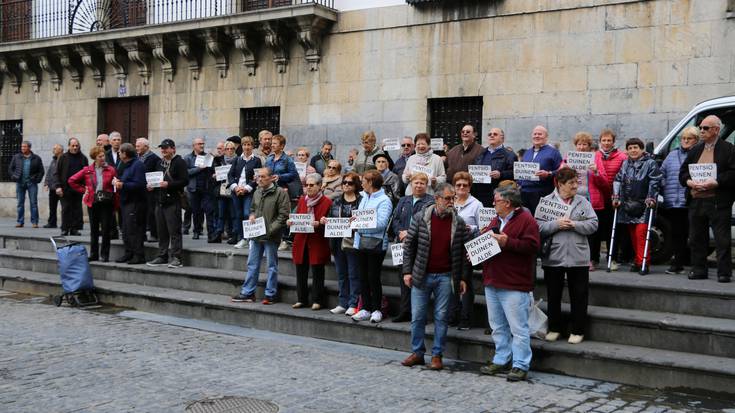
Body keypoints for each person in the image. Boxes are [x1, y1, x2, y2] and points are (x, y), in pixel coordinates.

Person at [400, 183, 472, 371]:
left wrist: (463, 277)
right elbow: (409, 246)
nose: (451, 202)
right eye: (447, 198)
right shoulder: (421, 218)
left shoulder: (459, 222)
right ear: (437, 199)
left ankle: (437, 354)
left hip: (446, 276)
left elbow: (464, 252)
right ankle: (417, 352)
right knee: (417, 316)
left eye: (453, 198)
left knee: (441, 316)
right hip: (421, 274)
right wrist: (407, 271)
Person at [479, 183, 540, 382]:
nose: (493, 204)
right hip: (493, 279)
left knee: (518, 328)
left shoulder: (526, 219)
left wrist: (508, 242)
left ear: (507, 202)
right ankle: (501, 358)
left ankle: (520, 364)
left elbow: (532, 246)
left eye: (496, 201)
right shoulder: (496, 219)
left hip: (514, 283)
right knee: (497, 325)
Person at [537, 168, 598, 344]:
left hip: (578, 256)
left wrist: (574, 225)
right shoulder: (546, 202)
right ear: (559, 184)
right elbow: (538, 227)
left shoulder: (582, 202)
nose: (575, 186)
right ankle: (555, 328)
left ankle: (578, 330)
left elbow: (593, 224)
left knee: (579, 295)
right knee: (553, 295)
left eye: (576, 182)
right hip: (554, 255)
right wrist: (556, 224)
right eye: (571, 183)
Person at [679, 115, 735, 283]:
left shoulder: (729, 149)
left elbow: (733, 173)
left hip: (718, 201)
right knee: (696, 237)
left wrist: (716, 182)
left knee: (721, 238)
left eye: (705, 128)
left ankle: (724, 272)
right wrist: (689, 182)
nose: (701, 131)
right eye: (701, 128)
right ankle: (698, 269)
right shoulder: (696, 149)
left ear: (716, 130)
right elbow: (682, 173)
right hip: (696, 200)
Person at [231, 167, 290, 304]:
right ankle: (248, 293)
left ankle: (270, 294)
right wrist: (252, 215)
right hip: (256, 234)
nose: (260, 179)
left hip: (271, 235)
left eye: (263, 177)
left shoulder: (280, 193)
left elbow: (283, 215)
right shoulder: (257, 192)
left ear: (271, 178)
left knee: (271, 265)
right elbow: (252, 209)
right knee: (252, 264)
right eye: (258, 177)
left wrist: (269, 230)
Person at [612, 138, 662, 275]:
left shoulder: (650, 163)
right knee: (633, 234)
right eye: (630, 148)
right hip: (628, 204)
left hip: (644, 204)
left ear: (641, 149)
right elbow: (618, 179)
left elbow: (655, 181)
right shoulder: (625, 164)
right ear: (627, 150)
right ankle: (639, 260)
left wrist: (651, 197)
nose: (633, 150)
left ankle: (644, 261)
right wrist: (616, 196)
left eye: (636, 147)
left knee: (641, 233)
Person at [390, 172, 434, 323]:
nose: (419, 185)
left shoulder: (431, 202)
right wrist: (400, 232)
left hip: (420, 245)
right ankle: (405, 311)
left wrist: (411, 233)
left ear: (426, 185)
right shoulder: (403, 200)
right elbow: (395, 220)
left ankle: (420, 314)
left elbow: (429, 223)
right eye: (416, 182)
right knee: (403, 278)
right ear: (411, 184)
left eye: (422, 183)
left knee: (420, 280)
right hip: (401, 244)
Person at [351, 170, 394, 323]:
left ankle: (377, 309)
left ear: (370, 183)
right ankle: (365, 308)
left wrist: (359, 225)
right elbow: (361, 217)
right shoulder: (364, 197)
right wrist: (355, 221)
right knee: (362, 277)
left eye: (364, 180)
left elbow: (381, 223)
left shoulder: (384, 200)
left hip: (376, 244)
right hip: (360, 242)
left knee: (373, 277)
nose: (361, 183)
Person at [562, 132, 608, 271]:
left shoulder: (596, 158)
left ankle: (592, 259)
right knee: (573, 228)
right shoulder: (567, 158)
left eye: (585, 144)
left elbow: (604, 181)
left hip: (590, 199)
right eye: (579, 144)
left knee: (591, 231)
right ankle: (575, 258)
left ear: (589, 146)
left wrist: (595, 172)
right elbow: (559, 179)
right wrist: (563, 170)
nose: (582, 147)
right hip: (572, 199)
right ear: (575, 146)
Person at [290, 174, 333, 310]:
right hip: (301, 240)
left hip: (317, 240)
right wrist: (290, 221)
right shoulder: (302, 200)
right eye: (307, 185)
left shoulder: (327, 202)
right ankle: (301, 299)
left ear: (319, 186)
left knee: (317, 271)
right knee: (300, 271)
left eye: (312, 185)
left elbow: (331, 223)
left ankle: (317, 300)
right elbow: (296, 216)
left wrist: (321, 223)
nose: (308, 187)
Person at [322, 171, 362, 315]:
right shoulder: (336, 200)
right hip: (337, 240)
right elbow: (329, 217)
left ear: (356, 185)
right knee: (341, 274)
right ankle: (343, 302)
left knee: (353, 273)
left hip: (353, 241)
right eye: (344, 182)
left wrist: (356, 221)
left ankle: (353, 302)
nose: (346, 185)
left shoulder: (361, 200)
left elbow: (366, 220)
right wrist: (324, 220)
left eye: (349, 183)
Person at [660, 126, 699, 274]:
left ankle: (695, 265)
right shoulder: (671, 155)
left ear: (696, 140)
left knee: (694, 234)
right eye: (683, 138)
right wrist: (664, 186)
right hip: (673, 202)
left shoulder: (699, 154)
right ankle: (677, 264)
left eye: (689, 138)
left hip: (691, 200)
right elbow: (661, 174)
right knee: (677, 234)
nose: (686, 141)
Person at [68, 146, 116, 262]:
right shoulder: (87, 170)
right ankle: (94, 254)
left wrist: (115, 184)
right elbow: (72, 180)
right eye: (100, 156)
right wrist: (84, 190)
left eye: (103, 155)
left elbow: (116, 184)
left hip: (106, 202)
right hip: (93, 202)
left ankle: (105, 255)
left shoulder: (111, 169)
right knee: (94, 229)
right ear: (94, 157)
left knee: (105, 229)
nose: (103, 158)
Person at [146, 139, 189, 269]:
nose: (163, 150)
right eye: (162, 148)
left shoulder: (179, 162)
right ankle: (162, 255)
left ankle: (177, 257)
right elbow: (156, 179)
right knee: (161, 231)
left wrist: (169, 184)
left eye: (166, 148)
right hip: (160, 201)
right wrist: (151, 186)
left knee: (174, 231)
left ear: (173, 149)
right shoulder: (160, 163)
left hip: (172, 202)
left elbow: (184, 181)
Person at [449, 171, 482, 330]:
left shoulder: (476, 204)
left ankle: (466, 318)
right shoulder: (450, 201)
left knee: (466, 282)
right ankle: (453, 314)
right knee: (451, 282)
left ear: (470, 187)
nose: (461, 187)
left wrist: (472, 227)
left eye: (465, 185)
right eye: (458, 185)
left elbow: (484, 228)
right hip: (450, 248)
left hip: (467, 249)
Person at [592, 128, 627, 271]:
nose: (606, 143)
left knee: (613, 230)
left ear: (613, 142)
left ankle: (612, 259)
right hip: (597, 198)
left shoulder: (621, 157)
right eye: (604, 140)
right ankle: (593, 259)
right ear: (600, 142)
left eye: (609, 140)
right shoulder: (594, 156)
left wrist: (618, 195)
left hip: (614, 198)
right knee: (595, 230)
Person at [113, 143, 147, 265]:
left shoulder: (138, 165)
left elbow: (139, 184)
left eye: (120, 152)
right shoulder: (124, 164)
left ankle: (139, 255)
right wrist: (118, 180)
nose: (118, 153)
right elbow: (123, 177)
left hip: (135, 202)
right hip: (125, 201)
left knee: (134, 230)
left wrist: (123, 185)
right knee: (126, 230)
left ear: (125, 154)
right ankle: (129, 253)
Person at [517, 125, 563, 215]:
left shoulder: (553, 152)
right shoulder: (527, 152)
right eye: (535, 134)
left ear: (546, 137)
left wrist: (549, 173)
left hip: (542, 193)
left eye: (540, 134)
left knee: (540, 220)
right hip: (524, 193)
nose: (537, 136)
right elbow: (521, 170)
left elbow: (561, 171)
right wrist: (518, 182)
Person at [227, 136, 262, 248]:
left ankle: (250, 238)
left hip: (248, 192)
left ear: (252, 146)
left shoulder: (256, 160)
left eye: (249, 145)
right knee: (238, 215)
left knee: (247, 213)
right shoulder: (237, 159)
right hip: (236, 191)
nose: (247, 147)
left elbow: (257, 178)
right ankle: (242, 238)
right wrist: (236, 187)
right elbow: (230, 175)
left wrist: (246, 188)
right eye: (244, 145)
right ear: (241, 146)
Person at [471, 128, 517, 207]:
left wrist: (501, 174)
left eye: (495, 134)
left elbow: (515, 174)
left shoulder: (510, 155)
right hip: (480, 195)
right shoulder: (481, 153)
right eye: (490, 134)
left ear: (502, 138)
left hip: (498, 195)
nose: (492, 136)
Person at [184, 137, 216, 240]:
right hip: (194, 189)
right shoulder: (188, 158)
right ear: (194, 146)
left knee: (209, 210)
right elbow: (186, 173)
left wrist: (213, 169)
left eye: (202, 144)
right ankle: (196, 231)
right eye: (199, 144)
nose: (201, 145)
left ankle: (211, 233)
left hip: (206, 188)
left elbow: (213, 170)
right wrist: (199, 168)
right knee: (196, 211)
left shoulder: (208, 157)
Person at [56, 137, 88, 236]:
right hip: (65, 187)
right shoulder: (63, 157)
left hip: (78, 188)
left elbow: (86, 173)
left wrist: (85, 186)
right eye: (73, 146)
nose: (75, 148)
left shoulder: (83, 158)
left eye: (76, 146)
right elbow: (57, 172)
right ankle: (65, 228)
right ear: (69, 146)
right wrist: (58, 186)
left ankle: (74, 228)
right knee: (66, 208)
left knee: (76, 208)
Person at [9, 141, 44, 228]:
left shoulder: (36, 158)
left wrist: (37, 180)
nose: (22, 148)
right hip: (20, 183)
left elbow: (41, 171)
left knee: (33, 203)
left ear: (29, 148)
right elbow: (10, 169)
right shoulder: (16, 157)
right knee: (20, 203)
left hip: (32, 183)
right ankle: (20, 222)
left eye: (24, 147)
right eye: (22, 147)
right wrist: (14, 176)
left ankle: (35, 222)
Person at [212, 141, 238, 243]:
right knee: (221, 213)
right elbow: (213, 172)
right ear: (224, 150)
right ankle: (218, 233)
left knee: (233, 214)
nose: (230, 151)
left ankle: (234, 234)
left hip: (233, 190)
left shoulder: (238, 159)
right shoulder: (219, 160)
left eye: (232, 149)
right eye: (227, 149)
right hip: (222, 189)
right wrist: (215, 175)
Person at [136, 138, 161, 243]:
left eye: (138, 146)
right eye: (136, 146)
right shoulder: (137, 158)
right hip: (139, 190)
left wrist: (153, 185)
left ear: (146, 147)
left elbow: (158, 174)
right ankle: (142, 234)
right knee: (141, 213)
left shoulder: (154, 158)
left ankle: (154, 234)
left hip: (151, 191)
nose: (136, 148)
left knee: (151, 212)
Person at [43, 144, 63, 228]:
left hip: (61, 188)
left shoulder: (63, 159)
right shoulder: (53, 160)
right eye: (53, 148)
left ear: (60, 150)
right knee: (52, 207)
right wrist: (46, 183)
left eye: (55, 149)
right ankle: (52, 223)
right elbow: (49, 173)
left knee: (64, 207)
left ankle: (64, 224)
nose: (53, 150)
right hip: (52, 187)